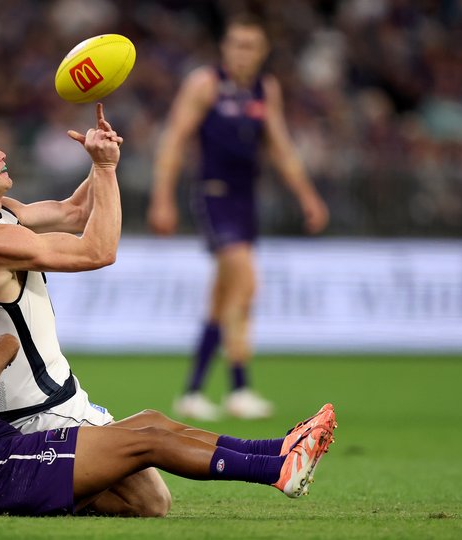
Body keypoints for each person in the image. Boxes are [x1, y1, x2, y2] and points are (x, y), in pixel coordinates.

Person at [0, 102, 174, 516]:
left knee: (148, 494)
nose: (0, 153)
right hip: (38, 405)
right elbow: (98, 251)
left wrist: (99, 160)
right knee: (150, 501)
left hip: (25, 396)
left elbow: (74, 212)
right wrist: (105, 170)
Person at [0, 285, 336, 515]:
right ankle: (276, 471)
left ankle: (277, 448)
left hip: (3, 471)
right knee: (148, 441)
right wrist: (6, 346)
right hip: (8, 468)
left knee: (149, 423)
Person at [147, 13, 330, 421]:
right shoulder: (206, 84)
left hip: (246, 202)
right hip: (215, 197)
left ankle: (192, 392)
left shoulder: (266, 89)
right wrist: (163, 199)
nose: (241, 52)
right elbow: (174, 140)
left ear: (263, 52)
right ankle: (239, 386)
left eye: (250, 45)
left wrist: (307, 195)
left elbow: (281, 146)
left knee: (224, 298)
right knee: (246, 284)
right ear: (224, 48)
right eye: (235, 44)